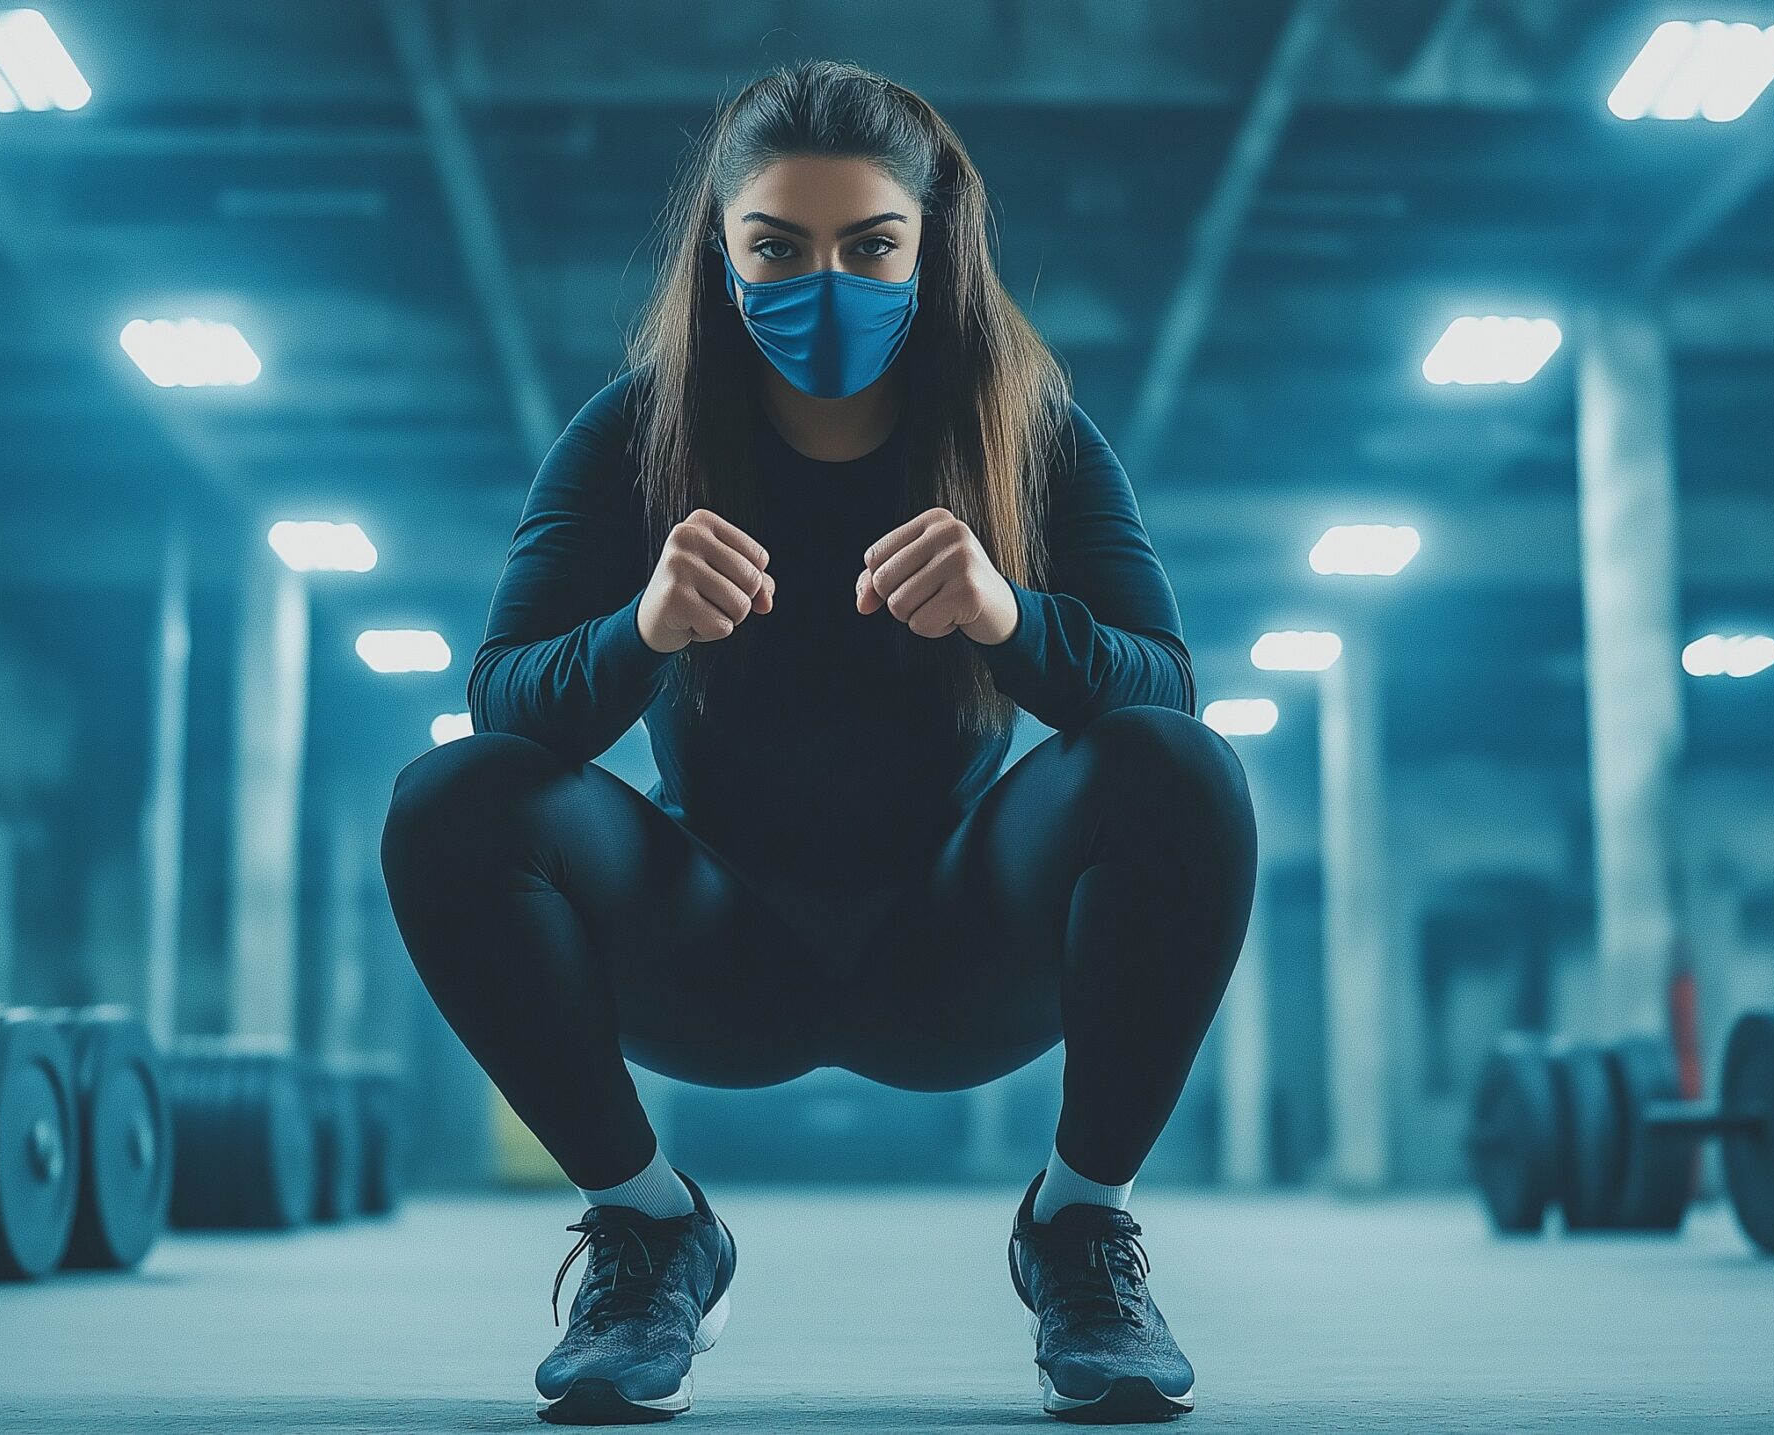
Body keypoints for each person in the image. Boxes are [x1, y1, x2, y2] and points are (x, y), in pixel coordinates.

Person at [381, 58, 1258, 1426]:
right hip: (720, 950)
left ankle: (1081, 1234)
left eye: (872, 246)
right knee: (449, 799)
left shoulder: (1032, 437)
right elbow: (503, 705)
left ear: (931, 249)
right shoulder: (631, 437)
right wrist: (642, 628)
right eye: (778, 248)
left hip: (955, 949)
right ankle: (650, 1229)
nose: (825, 283)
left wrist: (1007, 615)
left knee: (1182, 773)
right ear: (722, 255)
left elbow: (1167, 692)